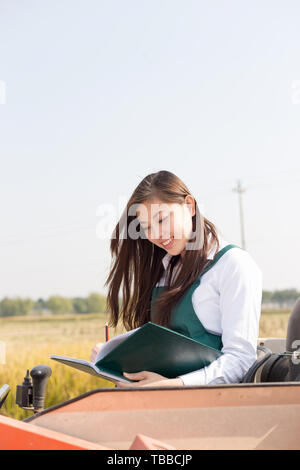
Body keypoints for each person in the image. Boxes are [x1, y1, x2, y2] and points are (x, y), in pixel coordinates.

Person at [91, 170, 262, 388]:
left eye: (162, 219)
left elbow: (241, 361)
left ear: (189, 206)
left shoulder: (234, 265)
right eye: (147, 228)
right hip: (163, 405)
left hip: (210, 407)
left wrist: (176, 384)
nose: (157, 234)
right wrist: (114, 360)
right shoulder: (164, 269)